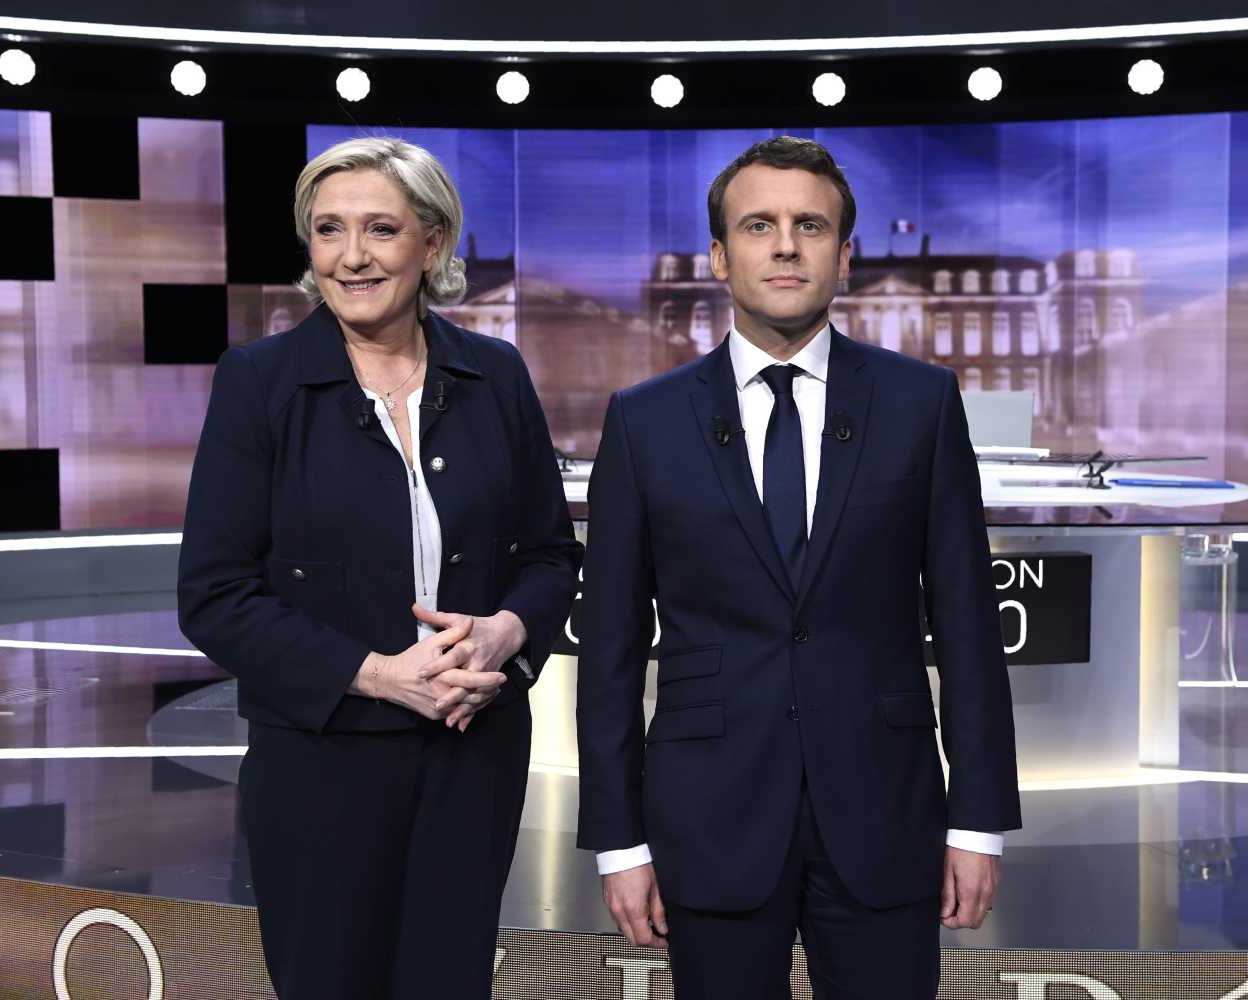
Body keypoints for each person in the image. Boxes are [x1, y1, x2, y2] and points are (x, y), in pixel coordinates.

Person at [576, 136, 1021, 998]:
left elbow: (968, 624)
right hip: (707, 817)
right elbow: (611, 649)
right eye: (759, 225)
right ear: (720, 255)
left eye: (810, 224)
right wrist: (619, 840)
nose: (785, 244)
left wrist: (978, 822)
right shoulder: (644, 421)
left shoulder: (920, 403)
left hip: (886, 814)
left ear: (844, 254)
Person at [178, 136, 581, 1000]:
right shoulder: (259, 383)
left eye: (379, 229)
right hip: (321, 764)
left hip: (472, 758)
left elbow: (551, 555)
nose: (352, 257)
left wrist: (505, 635)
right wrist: (376, 676)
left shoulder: (496, 374)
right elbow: (214, 595)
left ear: (432, 244)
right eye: (328, 231)